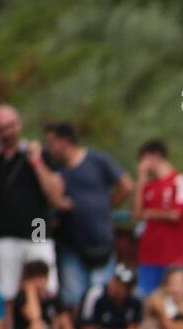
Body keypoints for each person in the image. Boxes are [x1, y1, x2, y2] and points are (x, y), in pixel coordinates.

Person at [42, 122, 132, 310]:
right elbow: (52, 200)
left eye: (52, 142)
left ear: (64, 141)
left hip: (101, 244)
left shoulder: (97, 161)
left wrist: (106, 207)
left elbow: (126, 185)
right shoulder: (54, 169)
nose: (48, 147)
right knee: (73, 298)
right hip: (70, 246)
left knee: (98, 297)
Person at [0, 104, 65, 298]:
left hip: (36, 225)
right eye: (3, 128)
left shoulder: (38, 154)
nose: (8, 132)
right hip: (4, 231)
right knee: (7, 289)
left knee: (44, 278)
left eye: (12, 125)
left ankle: (47, 318)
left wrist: (37, 162)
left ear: (19, 124)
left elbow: (55, 195)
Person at [132, 139, 183, 297]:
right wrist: (141, 180)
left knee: (175, 297)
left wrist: (150, 213)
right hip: (149, 255)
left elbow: (176, 214)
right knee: (147, 298)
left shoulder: (179, 180)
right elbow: (137, 214)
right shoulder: (148, 186)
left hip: (173, 255)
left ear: (156, 156)